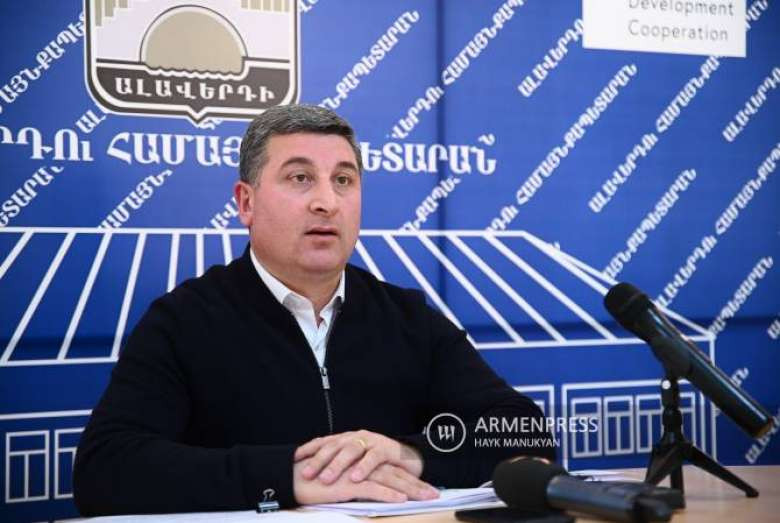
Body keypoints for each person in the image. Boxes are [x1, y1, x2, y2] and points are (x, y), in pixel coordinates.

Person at [73, 104, 554, 516]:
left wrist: (410, 455)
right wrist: (288, 476)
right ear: (246, 203)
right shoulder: (184, 320)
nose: (327, 202)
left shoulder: (405, 316)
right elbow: (105, 469)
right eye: (300, 178)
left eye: (343, 180)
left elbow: (524, 432)